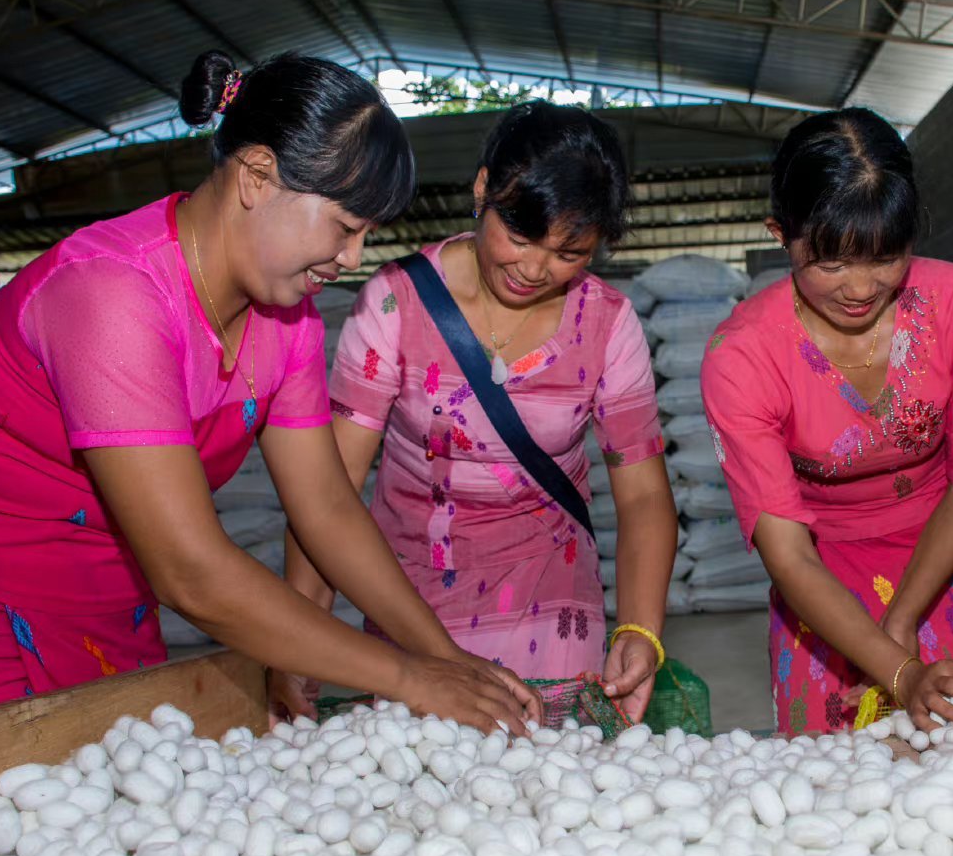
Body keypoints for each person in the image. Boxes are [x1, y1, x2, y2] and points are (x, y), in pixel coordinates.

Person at [0, 50, 538, 734]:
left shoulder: (287, 317)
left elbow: (328, 511)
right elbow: (189, 568)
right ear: (256, 177)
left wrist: (445, 662)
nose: (352, 260)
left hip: (106, 606)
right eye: (344, 227)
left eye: (367, 236)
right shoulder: (113, 298)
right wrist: (404, 677)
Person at [283, 100, 677, 722]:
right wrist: (298, 641)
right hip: (411, 611)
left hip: (552, 609)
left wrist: (641, 629)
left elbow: (644, 497)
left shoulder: (606, 323)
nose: (534, 268)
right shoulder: (396, 305)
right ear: (483, 188)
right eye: (518, 237)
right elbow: (326, 493)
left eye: (569, 253)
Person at [701, 108, 953, 737]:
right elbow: (789, 555)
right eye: (829, 263)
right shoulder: (743, 355)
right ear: (782, 234)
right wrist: (900, 669)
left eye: (885, 257)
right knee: (844, 776)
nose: (860, 287)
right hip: (825, 569)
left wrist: (904, 618)